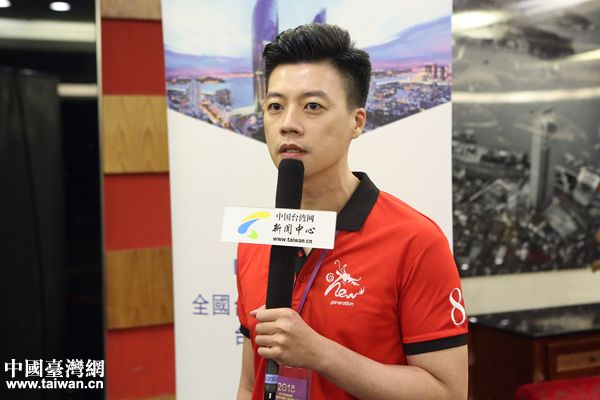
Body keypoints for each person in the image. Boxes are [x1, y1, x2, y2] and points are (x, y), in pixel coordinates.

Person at [236, 23, 468, 400]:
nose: (288, 124)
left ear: (356, 122)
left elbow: (448, 392)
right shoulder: (255, 238)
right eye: (275, 106)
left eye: (312, 106)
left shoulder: (415, 241)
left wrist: (320, 354)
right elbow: (251, 382)